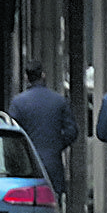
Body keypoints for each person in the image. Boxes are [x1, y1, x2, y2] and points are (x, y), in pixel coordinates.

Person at [7, 64, 75, 192]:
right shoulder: (59, 101)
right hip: (52, 162)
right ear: (43, 75)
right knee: (53, 198)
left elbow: (12, 134)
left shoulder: (18, 103)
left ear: (26, 77)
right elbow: (71, 132)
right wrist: (56, 145)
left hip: (27, 164)